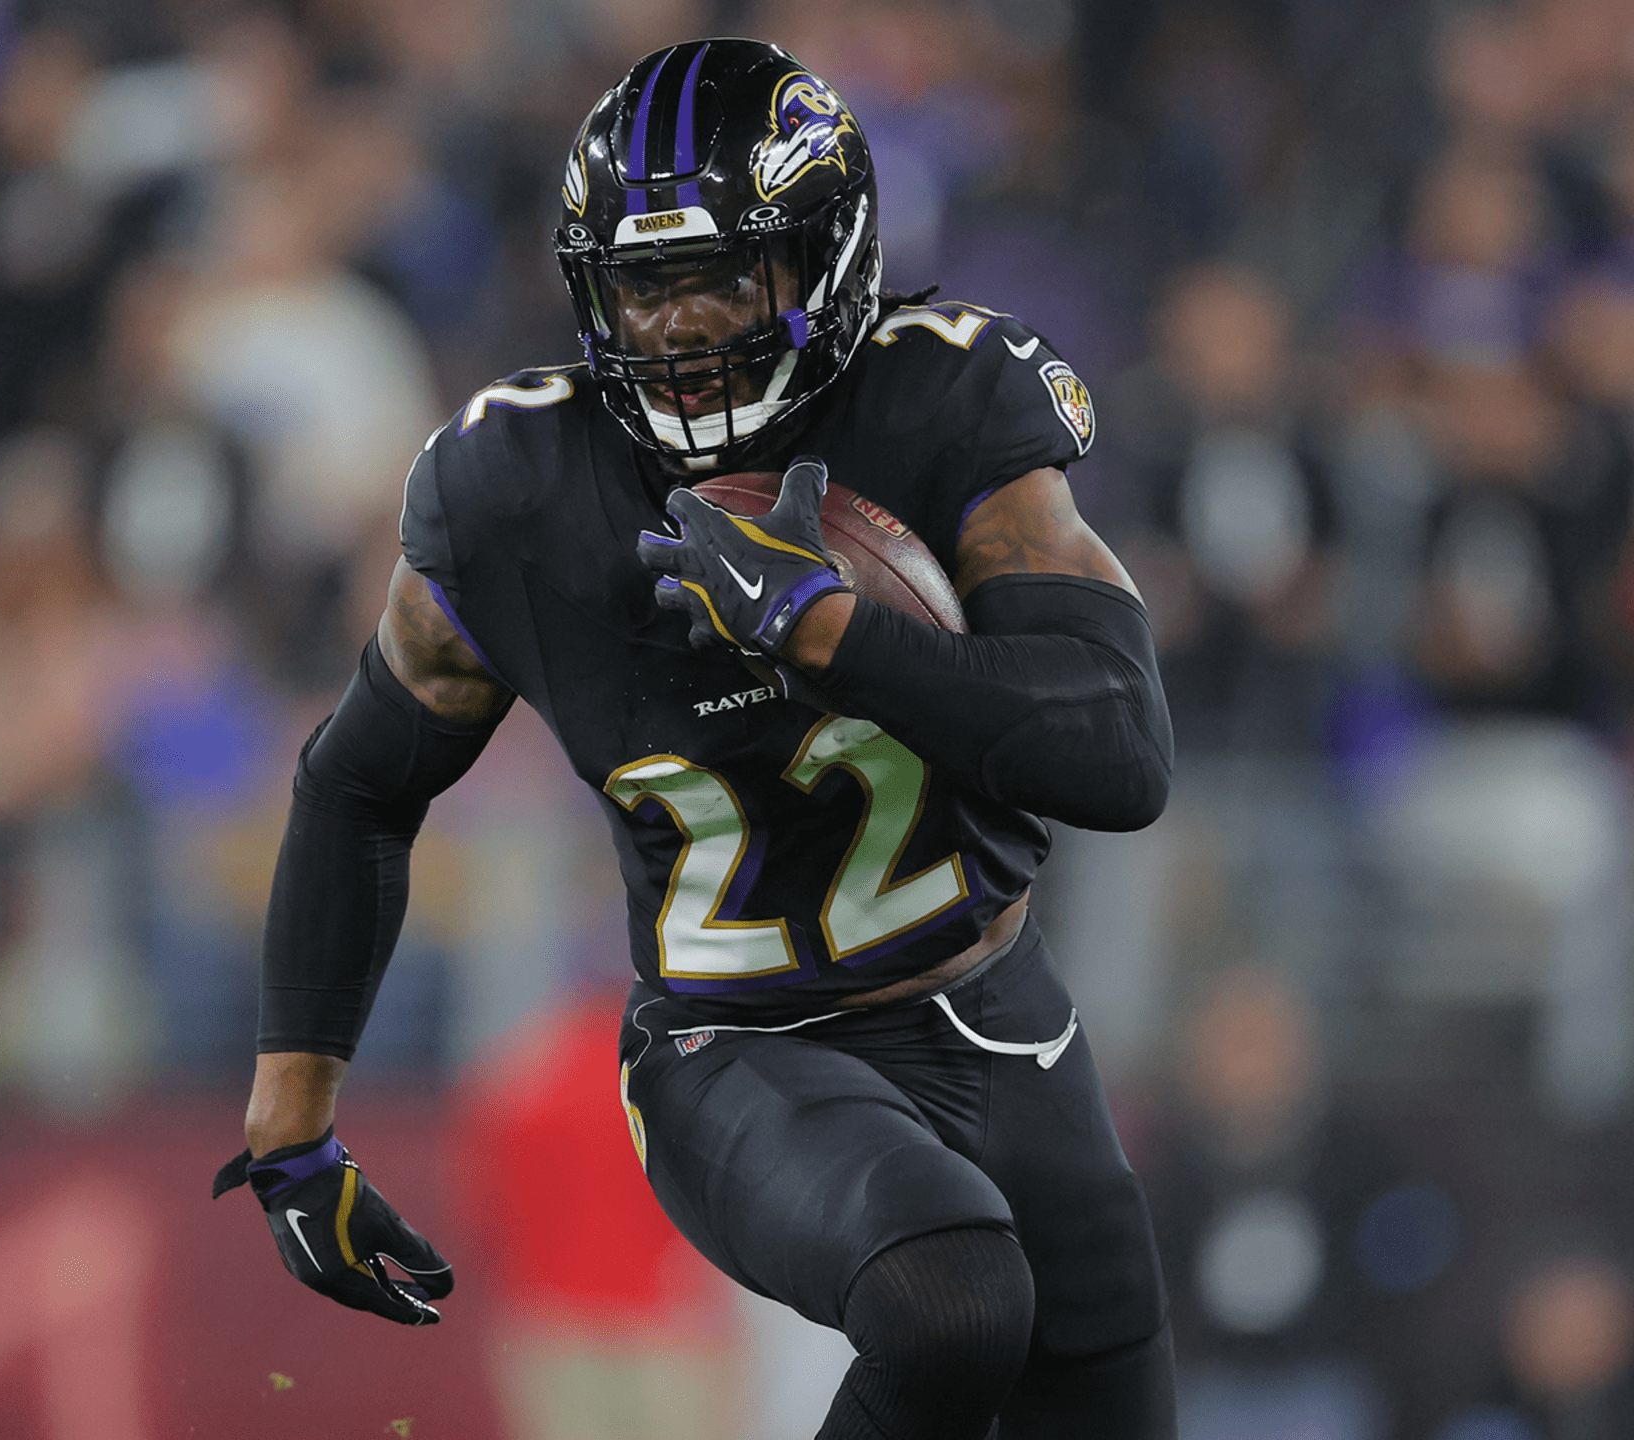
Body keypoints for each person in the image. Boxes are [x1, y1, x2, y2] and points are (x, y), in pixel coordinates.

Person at [213, 39, 1178, 1440]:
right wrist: (291, 1130)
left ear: (830, 258)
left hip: (998, 1011)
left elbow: (1124, 757)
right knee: (952, 1298)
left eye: (728, 276)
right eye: (645, 286)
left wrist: (833, 635)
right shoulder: (517, 488)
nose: (679, 327)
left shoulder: (941, 403)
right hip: (739, 1044)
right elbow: (359, 782)